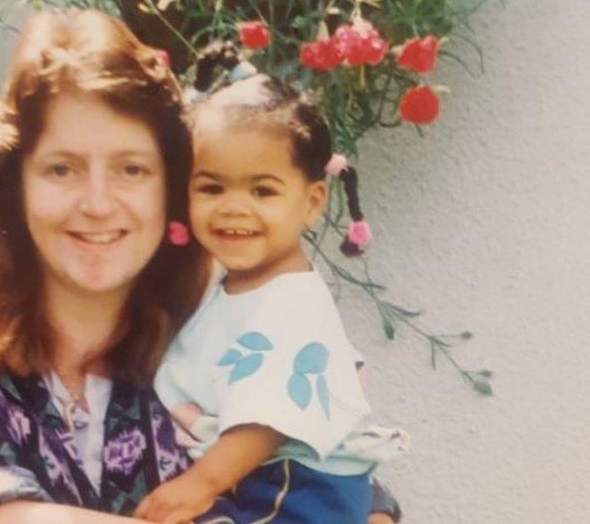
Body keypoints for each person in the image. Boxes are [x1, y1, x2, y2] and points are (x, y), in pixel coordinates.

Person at [0, 10, 401, 524]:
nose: (99, 203)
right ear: (15, 187)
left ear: (172, 190)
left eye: (132, 169)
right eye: (62, 169)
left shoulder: (210, 338)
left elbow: (346, 481)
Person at [136, 74, 408, 523]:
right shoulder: (230, 287)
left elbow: (268, 420)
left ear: (312, 202)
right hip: (256, 479)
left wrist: (197, 486)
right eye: (211, 188)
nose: (234, 207)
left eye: (262, 190)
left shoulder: (291, 300)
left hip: (296, 486)